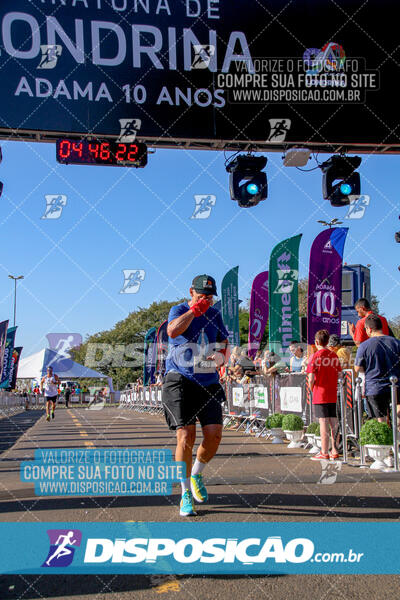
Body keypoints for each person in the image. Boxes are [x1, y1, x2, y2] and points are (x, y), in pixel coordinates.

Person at [162, 274, 229, 517]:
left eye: (209, 297)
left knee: (214, 436)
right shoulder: (178, 309)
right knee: (185, 436)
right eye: (202, 296)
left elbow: (224, 343)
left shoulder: (215, 314)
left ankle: (196, 473)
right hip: (180, 379)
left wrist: (222, 357)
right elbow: (171, 331)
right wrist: (194, 311)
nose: (206, 300)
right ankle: (184, 494)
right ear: (191, 292)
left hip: (208, 379)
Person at [354, 314, 400, 424]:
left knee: (380, 421)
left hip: (375, 387)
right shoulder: (396, 342)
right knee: (398, 408)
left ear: (369, 329)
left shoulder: (364, 346)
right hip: (396, 384)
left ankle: (384, 439)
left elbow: (357, 368)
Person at [306, 329, 342, 460]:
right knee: (334, 422)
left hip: (319, 393)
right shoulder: (334, 355)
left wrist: (311, 389)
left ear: (316, 342)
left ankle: (324, 451)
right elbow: (340, 373)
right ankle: (335, 450)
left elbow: (311, 378)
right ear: (327, 341)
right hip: (332, 392)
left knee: (323, 422)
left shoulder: (315, 356)